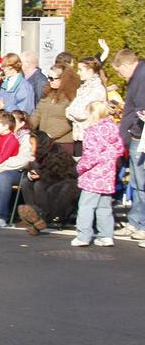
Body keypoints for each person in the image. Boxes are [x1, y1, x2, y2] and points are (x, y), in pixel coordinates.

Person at [71, 101, 124, 246]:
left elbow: (91, 156)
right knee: (104, 206)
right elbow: (119, 149)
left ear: (94, 114)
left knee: (86, 206)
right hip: (108, 174)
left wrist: (79, 167)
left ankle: (83, 236)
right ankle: (106, 235)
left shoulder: (92, 131)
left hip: (93, 176)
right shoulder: (114, 128)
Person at [16, 131, 80, 235]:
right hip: (48, 178)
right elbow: (34, 170)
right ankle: (33, 215)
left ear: (40, 143)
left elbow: (60, 174)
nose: (30, 147)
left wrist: (40, 175)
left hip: (64, 181)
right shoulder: (38, 155)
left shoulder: (56, 152)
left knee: (39, 185)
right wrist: (31, 174)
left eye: (32, 144)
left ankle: (42, 216)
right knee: (26, 183)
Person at [112, 49, 145, 239]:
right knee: (136, 182)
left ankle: (141, 224)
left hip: (139, 137)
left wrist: (130, 132)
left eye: (119, 71)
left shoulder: (140, 77)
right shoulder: (138, 76)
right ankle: (135, 222)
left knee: (141, 184)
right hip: (135, 136)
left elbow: (139, 110)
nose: (120, 76)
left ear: (125, 65)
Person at [0, 110, 33, 228]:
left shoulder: (26, 138)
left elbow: (24, 160)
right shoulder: (4, 136)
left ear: (22, 123)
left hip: (19, 170)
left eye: (14, 120)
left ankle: (0, 216)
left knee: (3, 178)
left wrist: (0, 165)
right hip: (0, 167)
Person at [29, 64, 77, 156]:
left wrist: (51, 135)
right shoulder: (48, 94)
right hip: (45, 142)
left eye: (52, 78)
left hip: (63, 143)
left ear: (63, 79)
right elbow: (37, 114)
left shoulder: (71, 97)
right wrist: (27, 129)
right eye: (48, 77)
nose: (49, 81)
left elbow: (70, 122)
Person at [65, 56, 107, 150]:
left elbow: (81, 113)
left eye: (81, 70)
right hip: (79, 135)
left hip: (89, 136)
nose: (78, 73)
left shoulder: (96, 89)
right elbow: (74, 108)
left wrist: (69, 111)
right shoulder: (84, 87)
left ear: (90, 70)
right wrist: (70, 111)